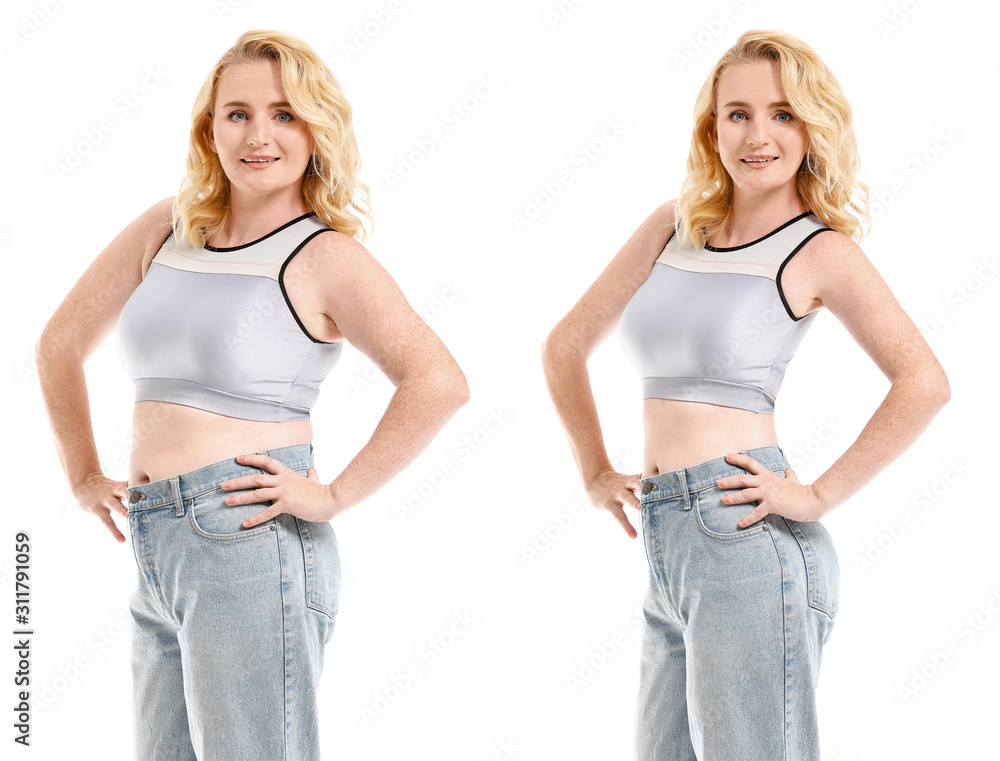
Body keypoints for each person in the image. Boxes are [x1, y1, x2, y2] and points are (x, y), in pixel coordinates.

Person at [34, 29, 469, 760]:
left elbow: (439, 381)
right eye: (237, 113)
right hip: (156, 540)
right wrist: (82, 472)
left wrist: (332, 495)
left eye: (285, 114)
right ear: (210, 128)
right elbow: (58, 345)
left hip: (247, 536)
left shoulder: (325, 256)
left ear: (316, 130)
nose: (259, 135)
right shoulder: (167, 228)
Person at [540, 29, 949, 761]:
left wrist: (819, 494)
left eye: (783, 114)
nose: (758, 134)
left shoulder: (819, 250)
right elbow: (564, 344)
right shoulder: (673, 226)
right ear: (712, 127)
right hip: (668, 538)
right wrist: (594, 468)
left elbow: (924, 382)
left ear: (812, 126)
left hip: (745, 534)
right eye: (738, 113)